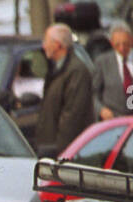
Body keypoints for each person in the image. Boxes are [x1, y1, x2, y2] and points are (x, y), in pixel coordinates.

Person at [35, 24, 94, 157]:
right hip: (50, 147)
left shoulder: (76, 71)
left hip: (63, 152)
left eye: (47, 42)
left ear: (58, 45)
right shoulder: (56, 70)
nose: (44, 46)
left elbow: (72, 116)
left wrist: (62, 153)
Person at [92, 20, 133, 121]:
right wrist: (101, 110)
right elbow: (93, 93)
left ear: (131, 40)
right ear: (111, 43)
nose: (122, 48)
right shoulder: (102, 62)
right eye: (117, 45)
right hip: (113, 120)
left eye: (125, 44)